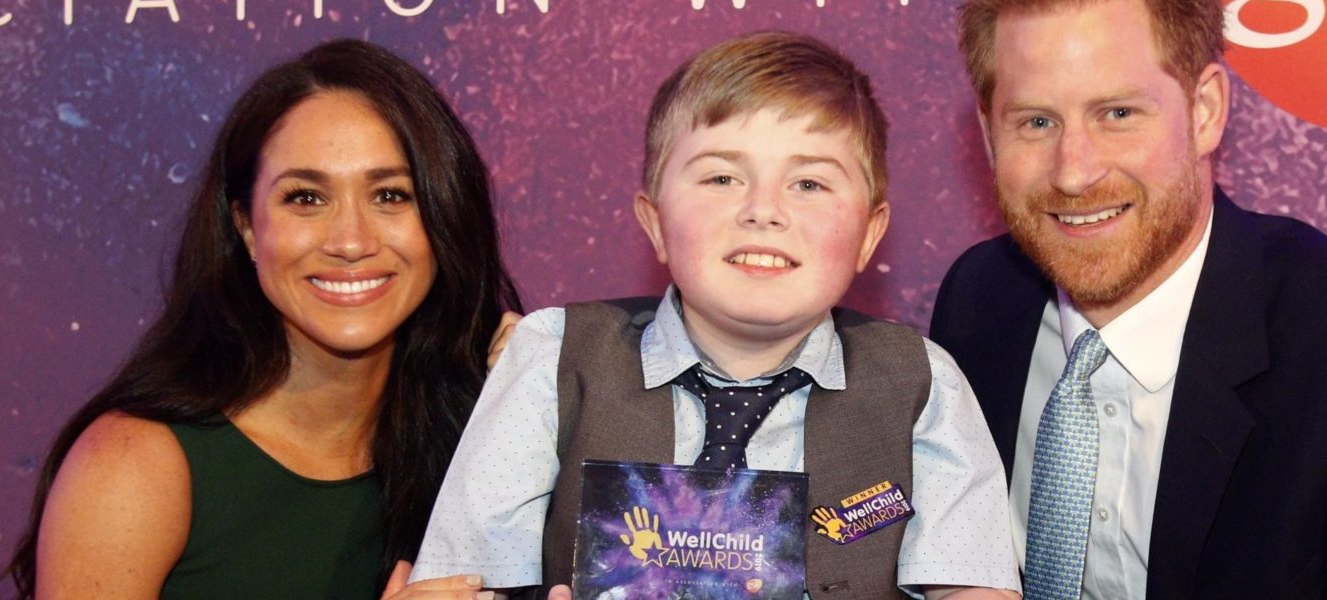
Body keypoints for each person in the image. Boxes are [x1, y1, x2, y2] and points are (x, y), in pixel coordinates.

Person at [928, 0, 1327, 598]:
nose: (1074, 173)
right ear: (987, 133)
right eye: (1035, 122)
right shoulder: (978, 304)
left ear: (1204, 111)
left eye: (1118, 113)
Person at [402, 32, 1021, 599]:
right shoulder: (555, 357)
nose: (763, 210)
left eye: (808, 184)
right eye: (722, 177)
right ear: (655, 223)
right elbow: (463, 580)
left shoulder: (920, 385)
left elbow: (973, 588)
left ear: (869, 234)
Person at [0, 39, 522, 600]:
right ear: (246, 226)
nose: (350, 241)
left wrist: (528, 416)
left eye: (391, 195)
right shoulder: (134, 467)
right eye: (306, 199)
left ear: (444, 220)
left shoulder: (473, 445)